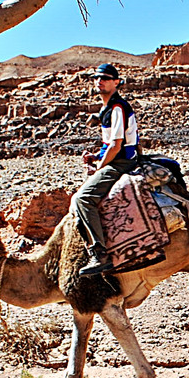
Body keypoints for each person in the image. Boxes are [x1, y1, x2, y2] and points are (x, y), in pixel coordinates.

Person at [71, 63, 139, 277]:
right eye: (97, 78)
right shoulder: (107, 108)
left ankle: (98, 253)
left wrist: (101, 165)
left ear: (116, 82)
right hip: (117, 159)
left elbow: (116, 145)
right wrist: (96, 156)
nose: (100, 81)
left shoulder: (117, 107)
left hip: (122, 162)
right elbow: (108, 143)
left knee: (83, 199)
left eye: (106, 78)